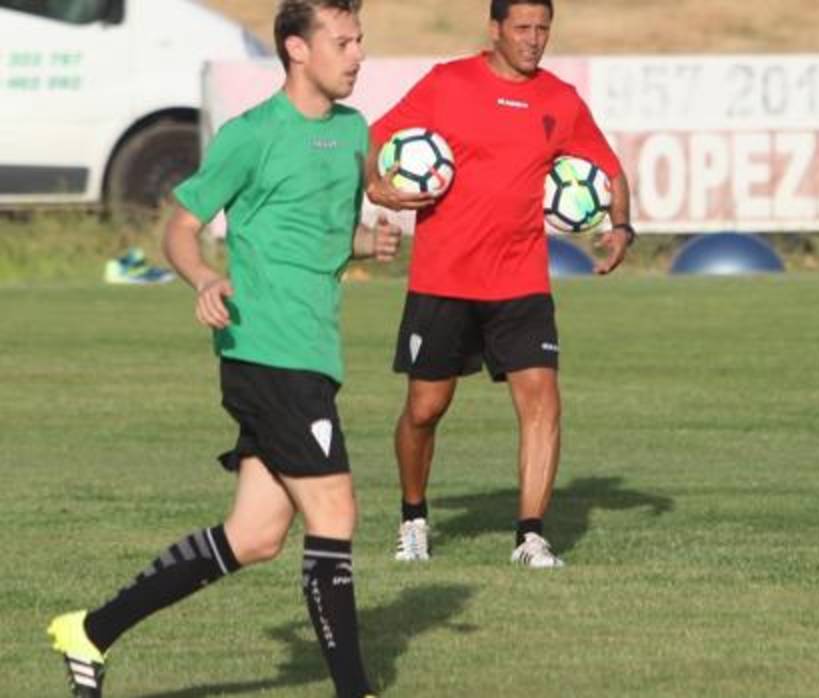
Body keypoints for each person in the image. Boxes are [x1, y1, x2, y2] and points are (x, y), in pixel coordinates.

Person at [47, 2, 398, 696]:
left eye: (360, 39)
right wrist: (205, 275)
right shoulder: (251, 135)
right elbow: (180, 227)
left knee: (257, 534)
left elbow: (316, 231)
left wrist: (370, 242)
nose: (357, 54)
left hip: (312, 354)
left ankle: (89, 630)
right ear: (298, 50)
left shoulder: (353, 131)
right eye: (342, 41)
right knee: (335, 514)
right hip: (268, 353)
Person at [365, 0, 633, 569]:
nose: (534, 40)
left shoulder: (560, 99)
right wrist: (376, 186)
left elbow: (609, 171)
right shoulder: (447, 82)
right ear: (495, 29)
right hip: (443, 277)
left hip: (521, 280)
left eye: (543, 29)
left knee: (543, 402)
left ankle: (530, 534)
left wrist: (621, 225)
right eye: (523, 29)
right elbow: (374, 137)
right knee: (425, 408)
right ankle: (413, 517)